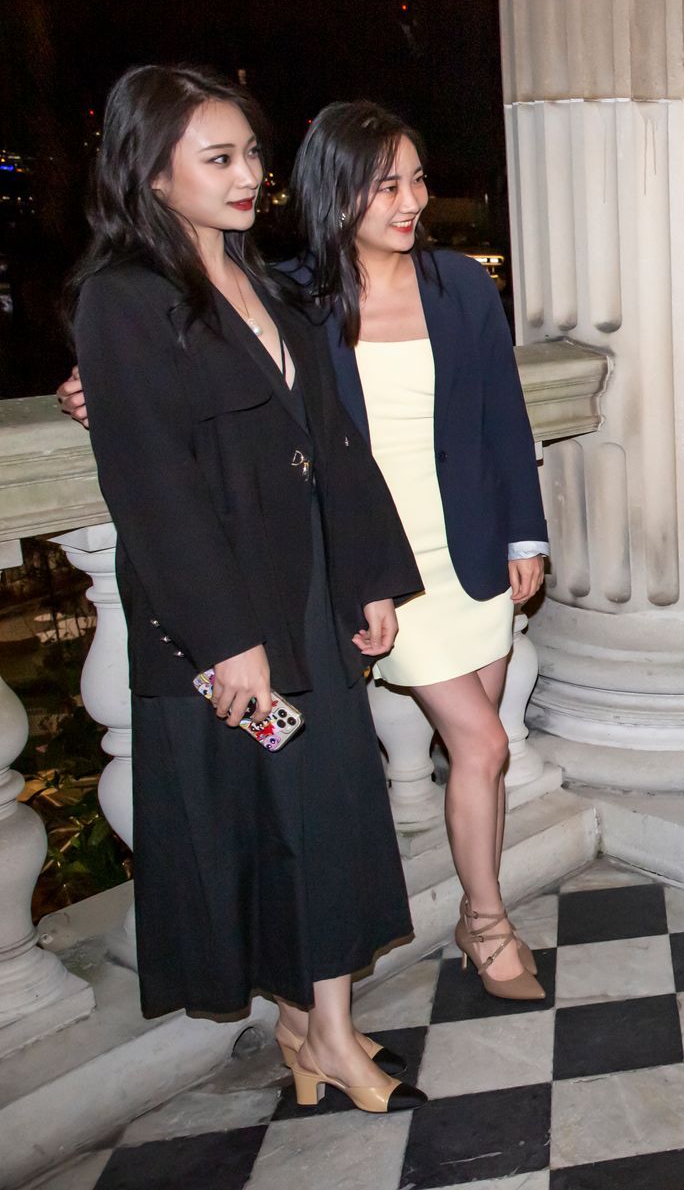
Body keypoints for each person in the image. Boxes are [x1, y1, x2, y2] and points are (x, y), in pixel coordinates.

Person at [62, 102, 552, 1001]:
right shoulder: (292, 293)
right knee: (481, 743)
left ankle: (463, 917)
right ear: (337, 192)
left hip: (471, 550)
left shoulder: (462, 286)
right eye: (386, 183)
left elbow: (501, 418)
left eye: (418, 180)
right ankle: (487, 923)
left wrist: (526, 530)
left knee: (476, 749)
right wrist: (91, 384)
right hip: (372, 563)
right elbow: (189, 352)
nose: (411, 200)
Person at [69, 66, 426, 1113]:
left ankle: (319, 1025)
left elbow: (334, 438)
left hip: (307, 588)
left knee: (329, 813)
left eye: (251, 156)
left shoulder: (268, 281)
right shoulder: (123, 300)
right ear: (152, 169)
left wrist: (365, 573)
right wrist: (228, 641)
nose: (248, 176)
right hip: (228, 614)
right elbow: (152, 488)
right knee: (277, 826)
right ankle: (323, 1032)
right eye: (218, 157)